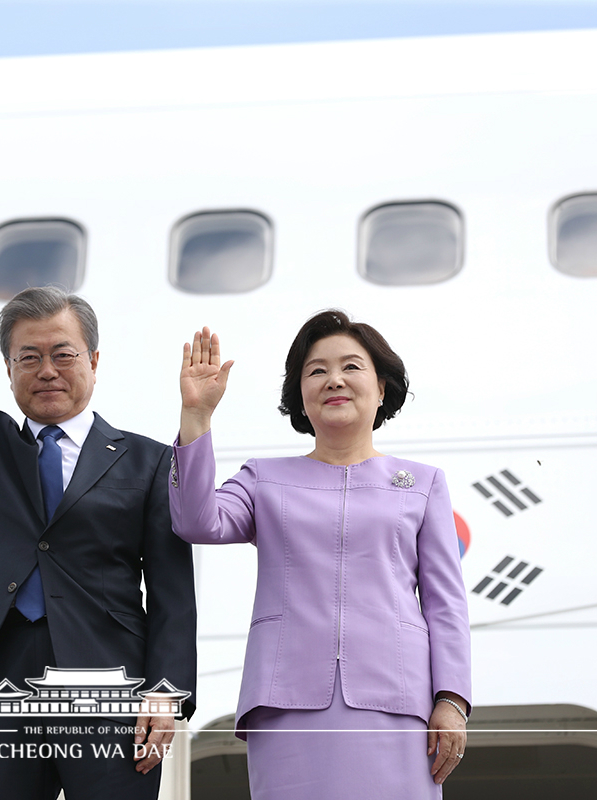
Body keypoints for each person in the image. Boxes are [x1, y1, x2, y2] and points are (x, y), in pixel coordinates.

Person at [0, 206, 197, 800]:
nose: (46, 370)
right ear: (8, 369)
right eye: (29, 357)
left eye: (63, 354)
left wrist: (166, 689)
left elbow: (172, 590)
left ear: (94, 363)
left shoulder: (151, 462)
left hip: (110, 686)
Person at [170, 310, 471, 799]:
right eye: (316, 371)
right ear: (301, 397)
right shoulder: (261, 478)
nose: (334, 379)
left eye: (352, 367)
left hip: (398, 701)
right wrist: (197, 417)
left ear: (381, 389)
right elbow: (195, 520)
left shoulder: (423, 483)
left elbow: (446, 604)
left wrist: (452, 699)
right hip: (286, 700)